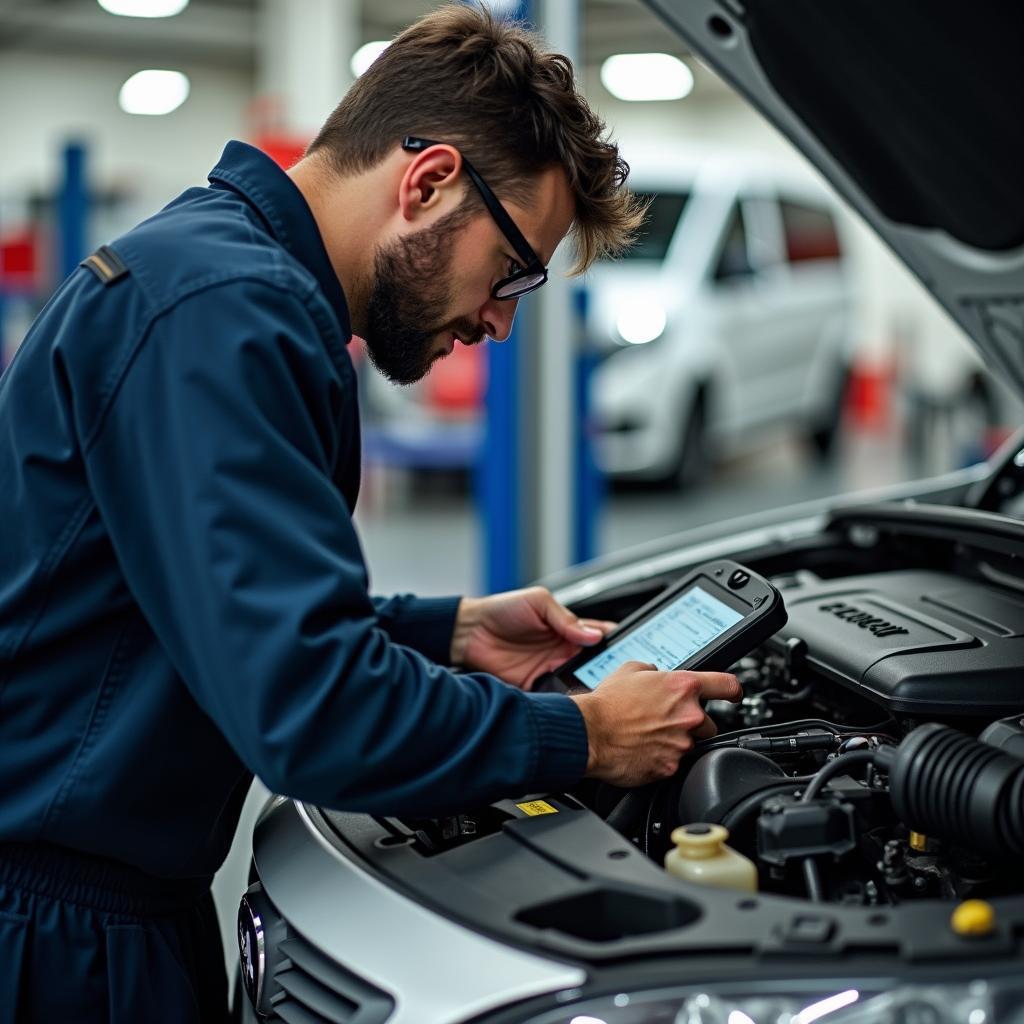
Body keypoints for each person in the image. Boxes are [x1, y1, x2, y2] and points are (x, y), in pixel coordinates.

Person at [0, 4, 741, 1020]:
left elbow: (184, 611)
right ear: (429, 181)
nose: (499, 318)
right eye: (512, 268)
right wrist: (585, 736)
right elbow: (315, 711)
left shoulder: (209, 274)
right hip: (58, 946)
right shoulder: (227, 315)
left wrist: (448, 631)